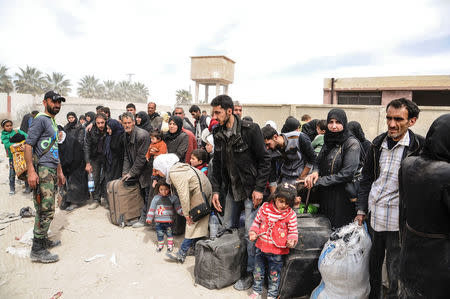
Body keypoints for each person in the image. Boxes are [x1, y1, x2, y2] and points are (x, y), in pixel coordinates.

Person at [355, 98, 422, 299]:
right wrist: (361, 209)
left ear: (412, 121)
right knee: (372, 268)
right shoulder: (377, 144)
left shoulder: (419, 147)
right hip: (374, 218)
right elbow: (366, 179)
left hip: (398, 223)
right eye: (389, 118)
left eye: (398, 119)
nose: (392, 124)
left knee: (395, 272)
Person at [209, 95, 271, 291]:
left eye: (217, 112)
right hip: (231, 190)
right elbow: (217, 163)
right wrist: (216, 190)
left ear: (229, 111)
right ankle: (230, 269)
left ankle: (250, 274)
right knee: (227, 229)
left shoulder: (250, 130)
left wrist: (259, 189)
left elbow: (264, 160)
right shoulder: (217, 132)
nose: (214, 116)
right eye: (213, 112)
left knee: (250, 235)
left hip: (250, 190)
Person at [398, 113, 450, 299]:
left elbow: (403, 207)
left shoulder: (408, 163)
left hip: (410, 251)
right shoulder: (446, 173)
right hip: (439, 261)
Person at [24, 91, 66, 263]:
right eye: (53, 101)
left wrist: (60, 171)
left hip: (51, 170)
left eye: (59, 102)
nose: (57, 104)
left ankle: (42, 241)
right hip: (41, 170)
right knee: (45, 209)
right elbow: (28, 145)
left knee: (47, 208)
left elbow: (54, 149)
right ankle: (37, 249)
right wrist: (31, 171)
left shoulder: (52, 122)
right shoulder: (40, 119)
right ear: (45, 102)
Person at [304, 108, 361, 229]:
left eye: (338, 122)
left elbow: (347, 174)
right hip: (325, 194)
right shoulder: (327, 140)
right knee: (324, 228)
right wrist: (315, 172)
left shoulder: (351, 143)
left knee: (338, 231)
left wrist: (319, 181)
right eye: (331, 122)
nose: (334, 126)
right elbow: (317, 161)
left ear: (344, 123)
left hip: (342, 197)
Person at [153, 154, 212, 263]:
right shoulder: (176, 168)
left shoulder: (175, 173)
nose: (157, 173)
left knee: (191, 222)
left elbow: (184, 195)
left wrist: (186, 214)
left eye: (157, 170)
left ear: (163, 167)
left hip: (200, 194)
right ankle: (194, 248)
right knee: (197, 222)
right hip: (203, 189)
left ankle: (181, 253)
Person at [248, 183, 298, 299]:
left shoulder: (291, 215)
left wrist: (291, 240)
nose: (284, 205)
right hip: (261, 248)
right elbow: (256, 222)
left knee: (274, 274)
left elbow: (293, 231)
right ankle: (256, 292)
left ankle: (272, 295)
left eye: (287, 203)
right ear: (275, 198)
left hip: (277, 252)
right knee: (258, 272)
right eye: (281, 201)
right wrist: (253, 232)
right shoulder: (265, 208)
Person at [121, 112, 152, 227]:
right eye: (125, 123)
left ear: (134, 122)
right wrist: (125, 171)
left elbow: (142, 157)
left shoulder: (142, 135)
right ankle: (139, 216)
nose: (127, 125)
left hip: (147, 169)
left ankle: (144, 220)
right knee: (140, 193)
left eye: (129, 122)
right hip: (137, 168)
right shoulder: (125, 135)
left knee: (148, 194)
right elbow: (126, 155)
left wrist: (131, 172)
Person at [57, 126, 89, 211]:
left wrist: (68, 167)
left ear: (60, 132)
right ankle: (68, 200)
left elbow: (75, 156)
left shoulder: (71, 140)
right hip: (67, 166)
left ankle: (76, 202)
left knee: (75, 184)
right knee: (67, 184)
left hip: (76, 165)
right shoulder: (57, 142)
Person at [146, 180, 183, 253]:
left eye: (166, 189)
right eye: (161, 189)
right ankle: (160, 245)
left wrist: (185, 214)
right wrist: (149, 218)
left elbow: (178, 208)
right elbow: (152, 209)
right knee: (160, 234)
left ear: (169, 189)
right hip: (158, 222)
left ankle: (170, 245)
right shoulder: (156, 198)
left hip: (168, 221)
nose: (164, 191)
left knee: (169, 233)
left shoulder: (173, 198)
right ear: (158, 190)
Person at [84, 113, 108, 210]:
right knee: (94, 178)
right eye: (98, 123)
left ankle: (106, 199)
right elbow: (87, 146)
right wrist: (87, 162)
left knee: (107, 177)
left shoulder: (109, 128)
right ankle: (96, 199)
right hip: (95, 156)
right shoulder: (90, 130)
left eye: (102, 122)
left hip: (107, 157)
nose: (100, 125)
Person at [1, 119, 29, 195]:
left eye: (10, 125)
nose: (9, 127)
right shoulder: (3, 135)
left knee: (25, 170)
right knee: (12, 173)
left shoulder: (17, 131)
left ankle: (27, 188)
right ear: (3, 127)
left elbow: (27, 137)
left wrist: (24, 144)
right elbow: (7, 145)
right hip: (12, 157)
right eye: (7, 126)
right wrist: (19, 144)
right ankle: (12, 188)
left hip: (22, 156)